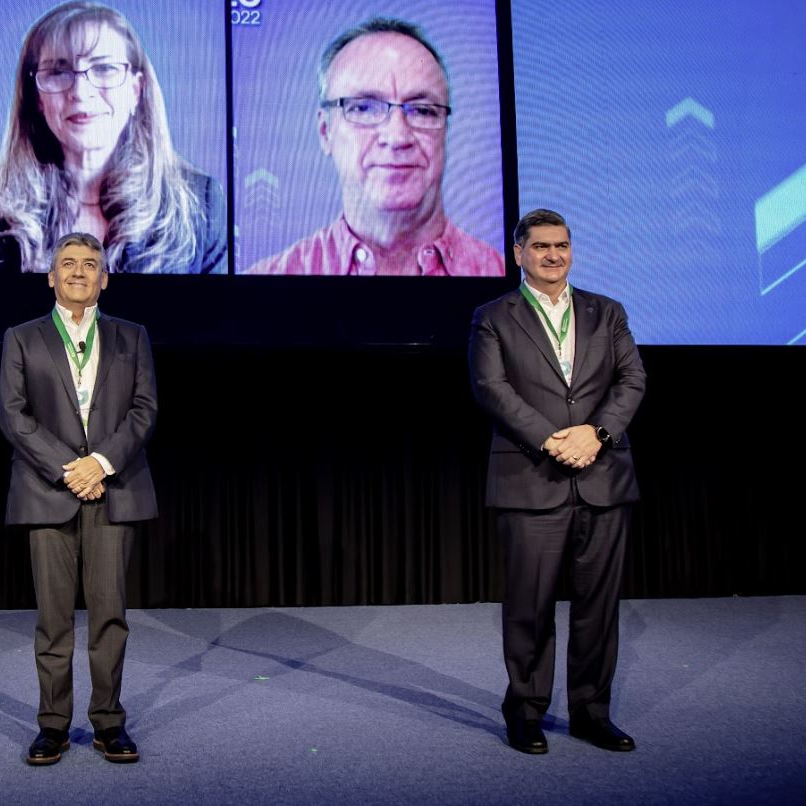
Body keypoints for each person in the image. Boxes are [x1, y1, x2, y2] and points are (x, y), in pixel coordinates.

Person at [468, 209, 646, 754]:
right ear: (519, 253)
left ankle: (592, 713)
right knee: (530, 604)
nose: (553, 255)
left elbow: (632, 378)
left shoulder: (606, 311)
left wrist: (596, 434)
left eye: (562, 246)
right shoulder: (494, 316)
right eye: (541, 246)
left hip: (604, 476)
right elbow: (491, 388)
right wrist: (553, 440)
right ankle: (525, 711)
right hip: (531, 478)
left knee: (599, 606)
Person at [0, 231, 157, 765]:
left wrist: (101, 464)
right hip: (49, 492)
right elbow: (14, 416)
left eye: (90, 264)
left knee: (110, 614)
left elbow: (144, 411)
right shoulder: (21, 338)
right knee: (54, 618)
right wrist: (71, 470)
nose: (77, 271)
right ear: (50, 276)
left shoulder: (132, 336)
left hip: (114, 490)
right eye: (67, 263)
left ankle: (110, 723)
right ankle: (53, 726)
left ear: (104, 278)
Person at [0, 1, 225, 274]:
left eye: (104, 68)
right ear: (37, 98)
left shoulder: (200, 203)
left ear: (136, 90)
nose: (80, 91)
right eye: (58, 71)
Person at [247, 17, 503, 277]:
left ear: (445, 130)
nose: (397, 136)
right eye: (363, 108)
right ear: (325, 132)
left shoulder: (514, 285)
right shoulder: (263, 282)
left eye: (422, 111)